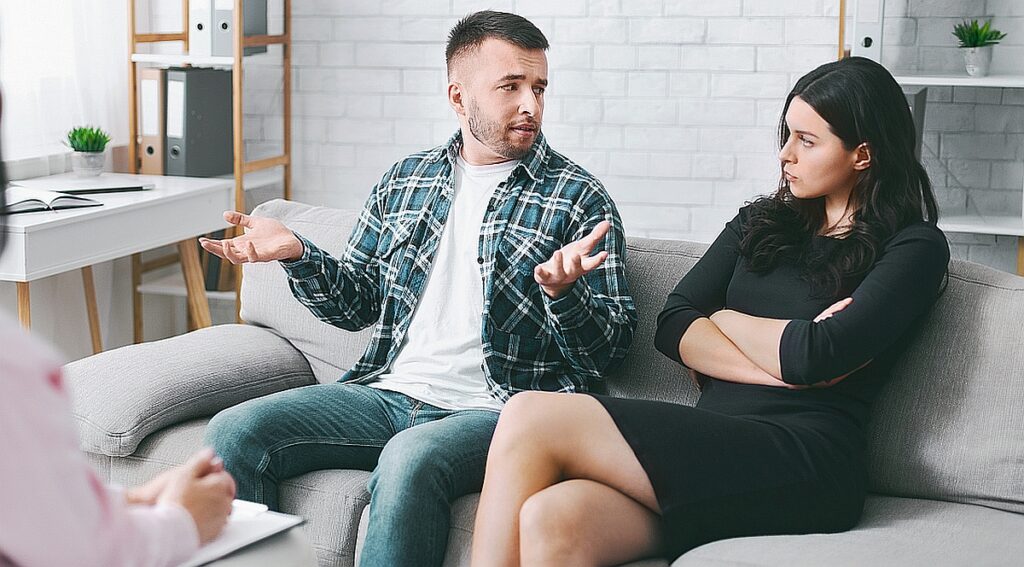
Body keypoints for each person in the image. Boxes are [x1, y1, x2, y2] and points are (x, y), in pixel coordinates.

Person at [469, 56, 951, 566]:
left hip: (807, 460)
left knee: (529, 414)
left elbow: (817, 356)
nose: (785, 154)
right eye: (787, 134)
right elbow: (674, 323)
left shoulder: (914, 248)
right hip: (716, 449)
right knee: (553, 518)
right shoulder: (758, 223)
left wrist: (723, 319)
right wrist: (773, 362)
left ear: (863, 155)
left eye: (807, 141)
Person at [198, 10, 635, 567]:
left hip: (500, 411)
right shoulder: (406, 181)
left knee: (409, 457)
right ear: (459, 97)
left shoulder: (579, 200)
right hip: (386, 394)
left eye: (540, 87)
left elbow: (611, 351)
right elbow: (356, 304)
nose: (532, 105)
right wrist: (299, 254)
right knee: (234, 431)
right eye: (511, 86)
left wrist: (563, 295)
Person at [0, 93, 236, 566]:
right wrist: (182, 521)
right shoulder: (15, 372)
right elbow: (80, 553)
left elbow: (34, 515)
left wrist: (125, 502)